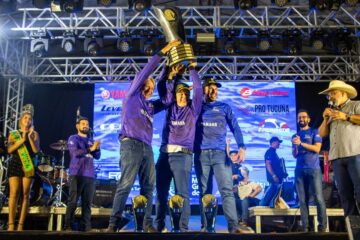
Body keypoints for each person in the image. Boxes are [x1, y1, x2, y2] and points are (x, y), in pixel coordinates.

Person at [106, 40, 180, 233]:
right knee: (125, 185)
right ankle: (113, 224)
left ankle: (147, 224)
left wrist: (169, 75)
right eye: (148, 84)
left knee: (148, 188)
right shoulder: (131, 96)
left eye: (152, 86)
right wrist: (162, 52)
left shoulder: (149, 106)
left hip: (147, 148)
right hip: (130, 145)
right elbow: (145, 72)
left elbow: (167, 101)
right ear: (140, 84)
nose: (150, 88)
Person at [194, 77, 248, 233]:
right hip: (201, 155)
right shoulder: (196, 107)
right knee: (205, 192)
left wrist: (242, 147)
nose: (213, 91)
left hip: (220, 155)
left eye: (216, 89)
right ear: (203, 89)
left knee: (226, 191)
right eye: (210, 88)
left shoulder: (224, 107)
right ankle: (206, 226)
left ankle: (234, 227)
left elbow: (236, 128)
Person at [155, 61, 201, 232]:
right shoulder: (169, 106)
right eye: (179, 93)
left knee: (182, 194)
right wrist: (168, 72)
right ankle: (159, 226)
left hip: (183, 156)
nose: (182, 96)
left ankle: (182, 228)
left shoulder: (193, 109)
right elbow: (161, 87)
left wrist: (192, 70)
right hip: (164, 155)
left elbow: (198, 91)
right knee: (161, 193)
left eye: (184, 93)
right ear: (175, 95)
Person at [318, 80, 360, 217]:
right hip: (336, 158)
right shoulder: (331, 112)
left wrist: (346, 116)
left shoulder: (356, 105)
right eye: (329, 96)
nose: (331, 97)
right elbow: (322, 133)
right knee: (344, 194)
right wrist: (325, 119)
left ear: (343, 93)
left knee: (359, 190)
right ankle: (353, 228)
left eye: (333, 94)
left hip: (355, 154)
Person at [292, 109, 327, 232]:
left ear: (308, 119)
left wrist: (301, 144)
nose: (301, 119)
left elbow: (317, 149)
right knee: (302, 200)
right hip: (299, 170)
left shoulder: (315, 131)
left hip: (314, 169)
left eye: (303, 117)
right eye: (299, 118)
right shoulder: (295, 135)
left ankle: (322, 227)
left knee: (318, 198)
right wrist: (295, 146)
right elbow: (294, 155)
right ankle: (306, 227)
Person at [64, 115, 101, 232]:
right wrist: (91, 149)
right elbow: (75, 153)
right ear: (77, 126)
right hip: (76, 174)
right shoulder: (73, 138)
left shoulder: (91, 140)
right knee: (73, 201)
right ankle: (68, 226)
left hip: (90, 175)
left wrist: (97, 148)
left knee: (87, 204)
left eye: (87, 124)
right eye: (83, 124)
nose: (85, 126)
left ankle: (86, 227)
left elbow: (97, 156)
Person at [6, 104, 40, 231]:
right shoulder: (13, 134)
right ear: (21, 120)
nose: (27, 120)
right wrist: (22, 139)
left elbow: (36, 150)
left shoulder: (35, 134)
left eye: (30, 119)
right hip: (15, 164)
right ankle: (10, 224)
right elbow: (10, 150)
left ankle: (20, 225)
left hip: (28, 164)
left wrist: (30, 137)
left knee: (25, 195)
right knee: (14, 193)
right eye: (25, 118)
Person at [260, 136, 288, 207]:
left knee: (274, 196)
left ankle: (270, 207)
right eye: (278, 142)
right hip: (273, 179)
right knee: (268, 196)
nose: (279, 144)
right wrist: (274, 175)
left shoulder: (274, 153)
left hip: (277, 179)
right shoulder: (270, 152)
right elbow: (268, 164)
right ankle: (260, 207)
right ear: (274, 142)